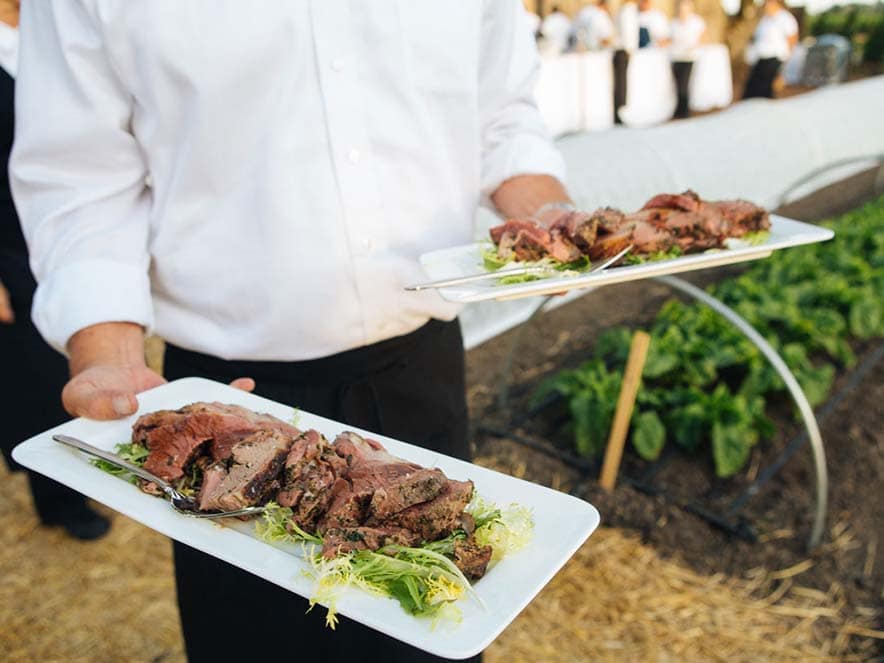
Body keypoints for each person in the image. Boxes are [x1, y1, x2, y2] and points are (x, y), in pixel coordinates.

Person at [12, 2, 581, 662]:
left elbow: (501, 110)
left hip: (420, 374)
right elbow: (81, 173)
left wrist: (549, 221)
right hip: (230, 415)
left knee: (432, 624)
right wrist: (107, 352)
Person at [0, 0, 110, 541]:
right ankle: (58, 497)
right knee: (35, 377)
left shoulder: (57, 20)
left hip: (68, 231)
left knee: (79, 355)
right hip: (8, 246)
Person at [743, 0, 799, 99]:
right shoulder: (764, 19)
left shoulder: (785, 18)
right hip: (761, 60)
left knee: (765, 92)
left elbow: (792, 40)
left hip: (775, 60)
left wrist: (785, 65)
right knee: (751, 92)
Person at [669, 0, 706, 119]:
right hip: (676, 56)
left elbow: (703, 37)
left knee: (684, 85)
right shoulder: (674, 23)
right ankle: (679, 109)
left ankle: (684, 111)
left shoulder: (696, 22)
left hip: (689, 57)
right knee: (678, 84)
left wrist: (694, 46)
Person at [613, 0, 640, 123]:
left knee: (621, 83)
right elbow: (628, 30)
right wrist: (630, 48)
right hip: (624, 50)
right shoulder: (628, 10)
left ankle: (620, 111)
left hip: (622, 49)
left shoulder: (624, 9)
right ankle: (620, 112)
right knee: (622, 83)